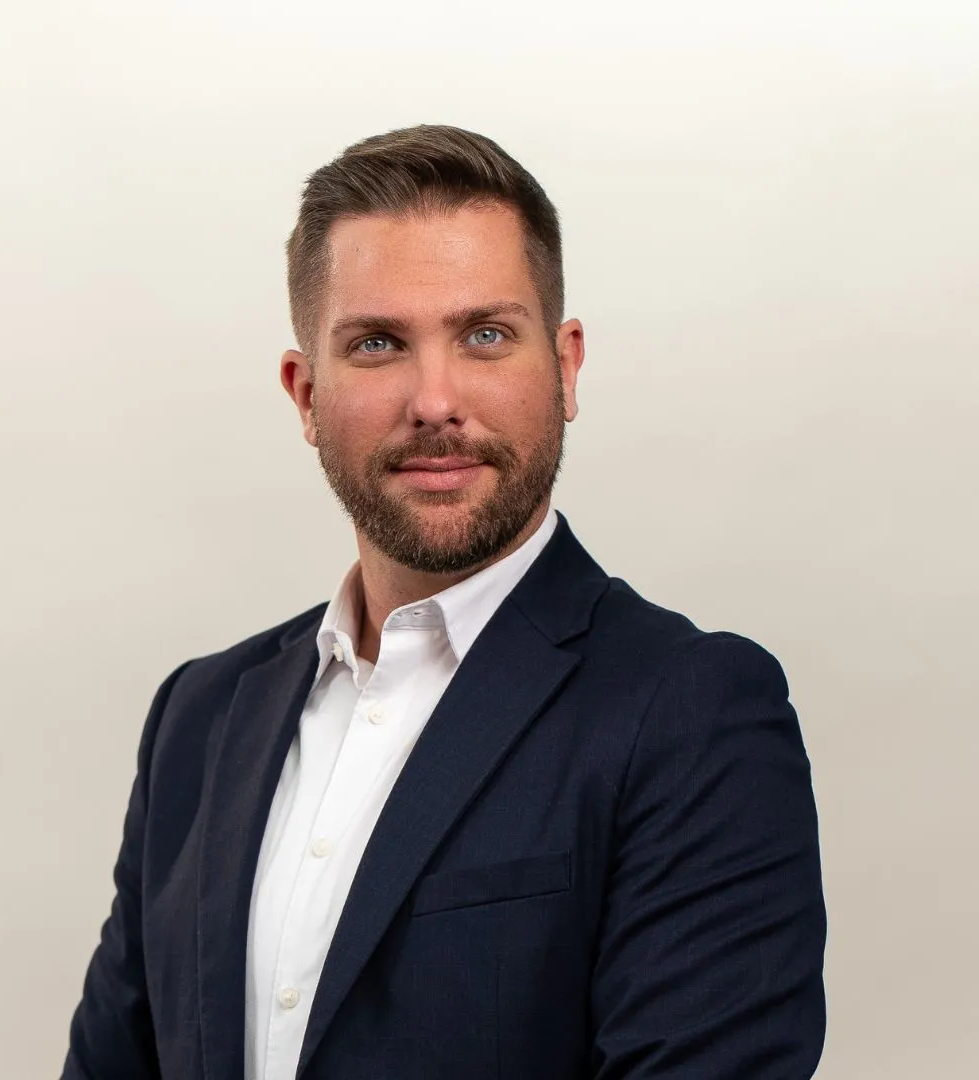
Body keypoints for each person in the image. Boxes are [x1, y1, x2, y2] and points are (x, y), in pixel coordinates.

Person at [62, 124, 826, 1080]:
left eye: (486, 335)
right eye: (378, 343)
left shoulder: (691, 713)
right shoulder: (200, 719)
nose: (434, 400)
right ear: (305, 394)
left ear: (566, 366)